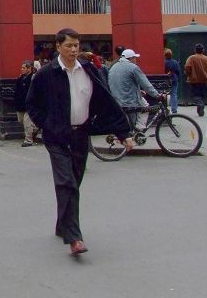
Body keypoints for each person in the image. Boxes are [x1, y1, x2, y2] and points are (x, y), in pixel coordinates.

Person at [26, 28, 133, 256]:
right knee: (67, 183)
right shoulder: (46, 74)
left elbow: (105, 101)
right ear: (58, 47)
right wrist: (48, 124)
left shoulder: (89, 70)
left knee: (75, 180)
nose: (73, 50)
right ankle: (74, 237)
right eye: (68, 46)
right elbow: (32, 104)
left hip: (80, 134)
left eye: (76, 45)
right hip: (56, 136)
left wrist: (124, 133)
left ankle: (62, 223)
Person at [107, 49, 163, 128]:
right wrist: (157, 95)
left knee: (126, 121)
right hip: (129, 100)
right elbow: (146, 84)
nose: (136, 60)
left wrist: (138, 91)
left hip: (116, 99)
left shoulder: (113, 67)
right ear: (131, 58)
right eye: (135, 58)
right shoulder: (133, 67)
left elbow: (122, 84)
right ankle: (140, 129)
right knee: (145, 107)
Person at [184, 43, 207, 116]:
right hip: (204, 80)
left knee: (196, 95)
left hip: (194, 80)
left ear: (195, 50)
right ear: (203, 50)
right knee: (202, 95)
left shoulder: (191, 58)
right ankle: (201, 108)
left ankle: (200, 105)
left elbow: (187, 67)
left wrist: (188, 74)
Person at [14, 61, 36, 146]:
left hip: (29, 103)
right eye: (21, 67)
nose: (21, 69)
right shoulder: (20, 77)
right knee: (21, 120)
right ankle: (36, 127)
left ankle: (28, 140)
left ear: (29, 68)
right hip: (20, 103)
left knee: (27, 122)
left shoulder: (33, 78)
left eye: (24, 68)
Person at [164, 48, 182, 114]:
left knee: (164, 93)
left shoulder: (163, 62)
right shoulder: (175, 62)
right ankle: (174, 109)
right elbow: (178, 72)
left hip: (166, 79)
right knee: (174, 94)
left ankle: (165, 108)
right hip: (174, 79)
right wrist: (179, 79)